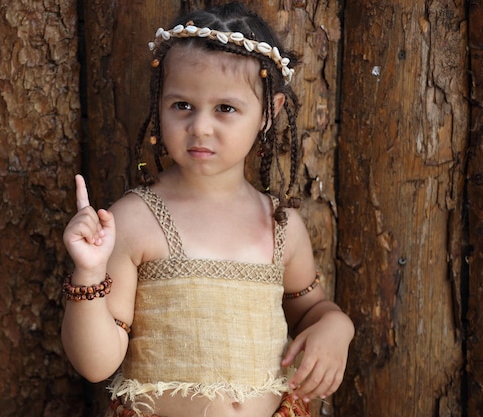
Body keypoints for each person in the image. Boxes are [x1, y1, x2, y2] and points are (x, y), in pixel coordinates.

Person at [61, 2, 354, 416]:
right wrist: (88, 273)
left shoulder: (281, 226)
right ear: (159, 103)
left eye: (225, 108)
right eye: (182, 105)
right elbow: (96, 365)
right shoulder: (135, 220)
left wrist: (337, 327)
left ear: (270, 113)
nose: (200, 126)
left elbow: (311, 309)